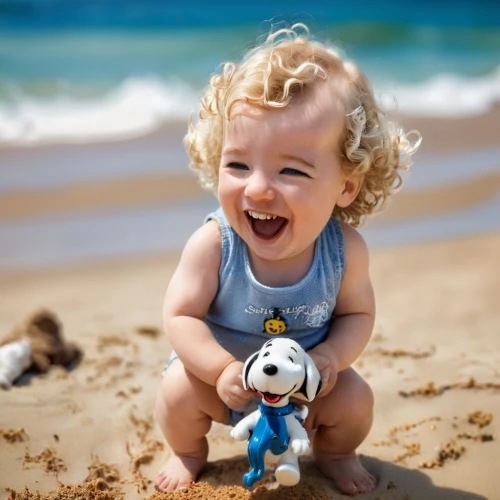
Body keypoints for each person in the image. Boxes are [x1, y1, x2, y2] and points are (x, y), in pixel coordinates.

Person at [155, 24, 421, 496]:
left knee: (357, 399)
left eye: (291, 170)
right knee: (176, 391)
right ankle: (188, 452)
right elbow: (180, 314)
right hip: (224, 384)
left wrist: (332, 357)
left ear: (345, 186)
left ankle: (336, 453)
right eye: (237, 164)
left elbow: (357, 314)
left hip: (306, 388)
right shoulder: (214, 244)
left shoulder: (345, 251)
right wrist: (218, 370)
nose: (256, 187)